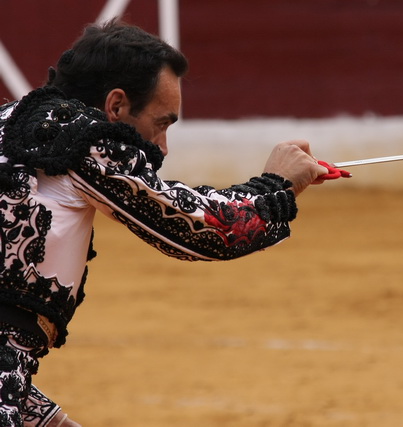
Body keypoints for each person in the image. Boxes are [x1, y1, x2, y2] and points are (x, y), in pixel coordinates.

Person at [0, 19, 330, 426]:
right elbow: (202, 230)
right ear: (116, 106)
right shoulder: (81, 136)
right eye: (161, 123)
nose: (163, 146)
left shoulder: (14, 120)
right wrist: (274, 185)